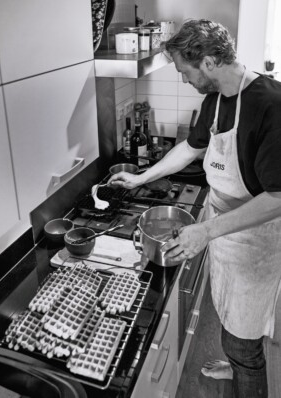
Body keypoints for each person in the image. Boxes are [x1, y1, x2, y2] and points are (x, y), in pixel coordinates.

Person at [108, 19, 281, 398]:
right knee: (229, 317)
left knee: (244, 338)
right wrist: (140, 177)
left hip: (254, 240)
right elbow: (191, 147)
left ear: (205, 61)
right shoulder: (216, 100)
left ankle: (244, 367)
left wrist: (205, 231)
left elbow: (277, 198)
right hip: (223, 228)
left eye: (183, 71)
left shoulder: (270, 104)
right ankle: (237, 363)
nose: (184, 80)